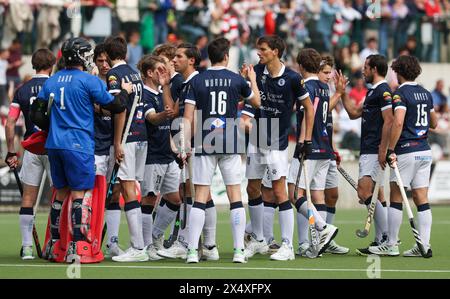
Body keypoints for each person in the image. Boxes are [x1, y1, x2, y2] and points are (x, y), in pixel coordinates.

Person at [33, 37, 130, 262]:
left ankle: (53, 244)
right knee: (79, 195)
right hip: (79, 145)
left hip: (55, 144)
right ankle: (76, 246)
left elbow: (36, 114)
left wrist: (54, 127)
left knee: (60, 193)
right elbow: (116, 105)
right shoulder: (89, 80)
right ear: (82, 57)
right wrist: (123, 91)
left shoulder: (52, 80)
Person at [182, 37, 260, 264]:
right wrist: (252, 80)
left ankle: (191, 253)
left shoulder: (197, 81)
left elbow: (188, 118)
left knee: (200, 198)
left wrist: (184, 145)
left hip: (205, 141)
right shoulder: (237, 80)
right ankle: (238, 252)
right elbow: (256, 103)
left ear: (209, 57)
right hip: (231, 142)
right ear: (226, 57)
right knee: (235, 197)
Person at [242, 35, 315, 261]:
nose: (259, 53)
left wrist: (307, 139)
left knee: (279, 191)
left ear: (275, 51)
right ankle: (258, 239)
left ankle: (287, 246)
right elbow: (251, 108)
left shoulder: (293, 78)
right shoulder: (256, 73)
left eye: (263, 49)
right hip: (257, 139)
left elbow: (309, 109)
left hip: (278, 141)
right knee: (252, 189)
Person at [370, 55, 436, 258]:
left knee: (396, 196)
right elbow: (433, 122)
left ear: (399, 72)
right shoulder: (426, 93)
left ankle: (391, 243)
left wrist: (390, 149)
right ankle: (424, 244)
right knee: (421, 198)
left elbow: (397, 122)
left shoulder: (400, 93)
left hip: (407, 150)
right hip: (425, 150)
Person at [4, 48, 56, 260]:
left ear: (33, 65)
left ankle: (26, 248)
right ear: (51, 65)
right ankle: (54, 244)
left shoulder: (22, 89)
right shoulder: (56, 85)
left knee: (28, 198)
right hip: (54, 147)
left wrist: (10, 152)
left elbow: (9, 123)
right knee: (58, 198)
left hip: (32, 148)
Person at [340, 54, 394, 255]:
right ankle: (381, 239)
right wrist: (343, 92)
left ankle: (389, 239)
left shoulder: (383, 91)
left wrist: (383, 148)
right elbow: (353, 113)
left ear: (375, 70)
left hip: (374, 149)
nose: (363, 70)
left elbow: (389, 120)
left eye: (366, 67)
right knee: (376, 195)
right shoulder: (373, 92)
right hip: (368, 148)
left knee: (364, 193)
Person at [290, 48, 340, 258]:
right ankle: (318, 243)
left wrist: (303, 142)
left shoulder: (307, 86)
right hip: (324, 148)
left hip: (310, 147)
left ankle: (322, 228)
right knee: (317, 195)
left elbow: (308, 115)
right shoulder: (323, 87)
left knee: (294, 192)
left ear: (301, 66)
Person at [103, 36, 148, 262]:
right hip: (142, 136)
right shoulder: (134, 72)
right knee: (124, 189)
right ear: (126, 53)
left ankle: (138, 248)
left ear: (109, 57)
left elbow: (116, 107)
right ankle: (126, 244)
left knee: (127, 188)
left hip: (128, 137)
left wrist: (117, 142)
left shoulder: (115, 75)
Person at [137, 54, 180, 260]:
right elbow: (153, 118)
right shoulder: (144, 94)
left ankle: (155, 236)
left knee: (175, 198)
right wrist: (167, 114)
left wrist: (166, 87)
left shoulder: (160, 91)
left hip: (167, 154)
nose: (164, 72)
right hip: (152, 155)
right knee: (149, 200)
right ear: (149, 73)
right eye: (159, 70)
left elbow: (168, 112)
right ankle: (145, 246)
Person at [91, 43, 126, 259]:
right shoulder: (90, 82)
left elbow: (120, 108)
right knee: (94, 194)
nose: (104, 65)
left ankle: (112, 242)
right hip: (95, 145)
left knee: (115, 193)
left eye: (107, 61)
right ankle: (90, 239)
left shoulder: (119, 81)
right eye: (100, 61)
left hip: (114, 144)